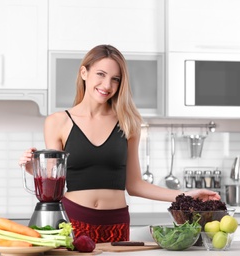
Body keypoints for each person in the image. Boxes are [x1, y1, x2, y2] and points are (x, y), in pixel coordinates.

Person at [18, 44, 221, 243]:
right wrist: (33, 169)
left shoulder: (128, 122)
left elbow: (134, 185)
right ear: (84, 72)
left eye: (115, 79)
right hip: (72, 221)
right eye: (100, 74)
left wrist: (188, 195)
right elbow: (54, 183)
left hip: (115, 223)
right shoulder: (57, 122)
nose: (107, 85)